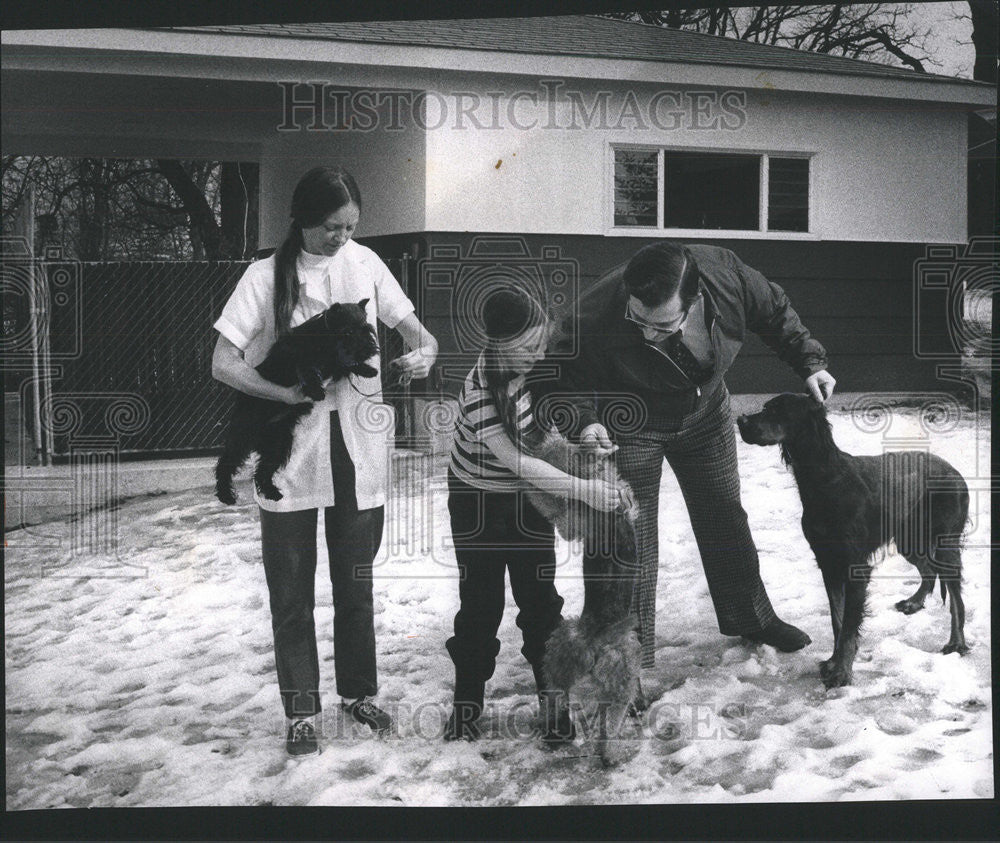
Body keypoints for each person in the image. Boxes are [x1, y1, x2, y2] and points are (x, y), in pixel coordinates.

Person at [211, 166, 438, 756]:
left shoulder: (366, 265)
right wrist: (281, 395)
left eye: (351, 227)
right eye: (334, 227)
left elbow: (421, 337)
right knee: (291, 593)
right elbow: (223, 361)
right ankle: (302, 711)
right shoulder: (265, 277)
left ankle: (360, 694)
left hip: (358, 447)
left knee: (355, 584)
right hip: (292, 450)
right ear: (305, 221)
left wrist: (423, 356)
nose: (344, 238)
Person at [549, 241, 836, 686]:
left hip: (706, 412)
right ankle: (627, 659)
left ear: (696, 300)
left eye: (661, 325)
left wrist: (810, 362)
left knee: (724, 512)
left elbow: (775, 313)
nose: (646, 334)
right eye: (637, 321)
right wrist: (585, 422)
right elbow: (557, 374)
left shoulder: (727, 277)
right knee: (630, 536)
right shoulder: (597, 310)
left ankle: (752, 617)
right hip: (631, 422)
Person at [444, 286, 620, 742]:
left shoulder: (534, 370)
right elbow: (520, 463)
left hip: (528, 498)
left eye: (540, 345)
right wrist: (585, 490)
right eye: (525, 348)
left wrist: (587, 434)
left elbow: (551, 419)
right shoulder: (479, 393)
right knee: (481, 606)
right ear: (497, 343)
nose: (535, 355)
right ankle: (466, 708)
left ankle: (554, 706)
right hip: (478, 503)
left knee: (541, 605)